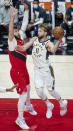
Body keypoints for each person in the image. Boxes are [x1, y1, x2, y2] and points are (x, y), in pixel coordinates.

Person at [15, 24, 68, 119]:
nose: (38, 32)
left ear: (45, 33)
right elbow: (24, 47)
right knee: (39, 92)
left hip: (46, 69)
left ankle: (62, 103)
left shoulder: (48, 43)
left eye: (40, 31)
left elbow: (53, 50)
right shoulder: (34, 39)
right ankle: (49, 105)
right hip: (37, 70)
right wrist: (18, 47)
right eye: (38, 31)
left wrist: (59, 40)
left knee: (51, 90)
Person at [8, 7, 37, 130]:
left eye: (17, 30)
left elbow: (24, 24)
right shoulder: (12, 43)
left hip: (23, 70)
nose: (16, 32)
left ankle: (28, 106)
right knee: (23, 94)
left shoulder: (20, 37)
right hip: (16, 72)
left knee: (29, 87)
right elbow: (11, 32)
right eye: (14, 31)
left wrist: (26, 11)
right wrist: (12, 17)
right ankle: (20, 119)